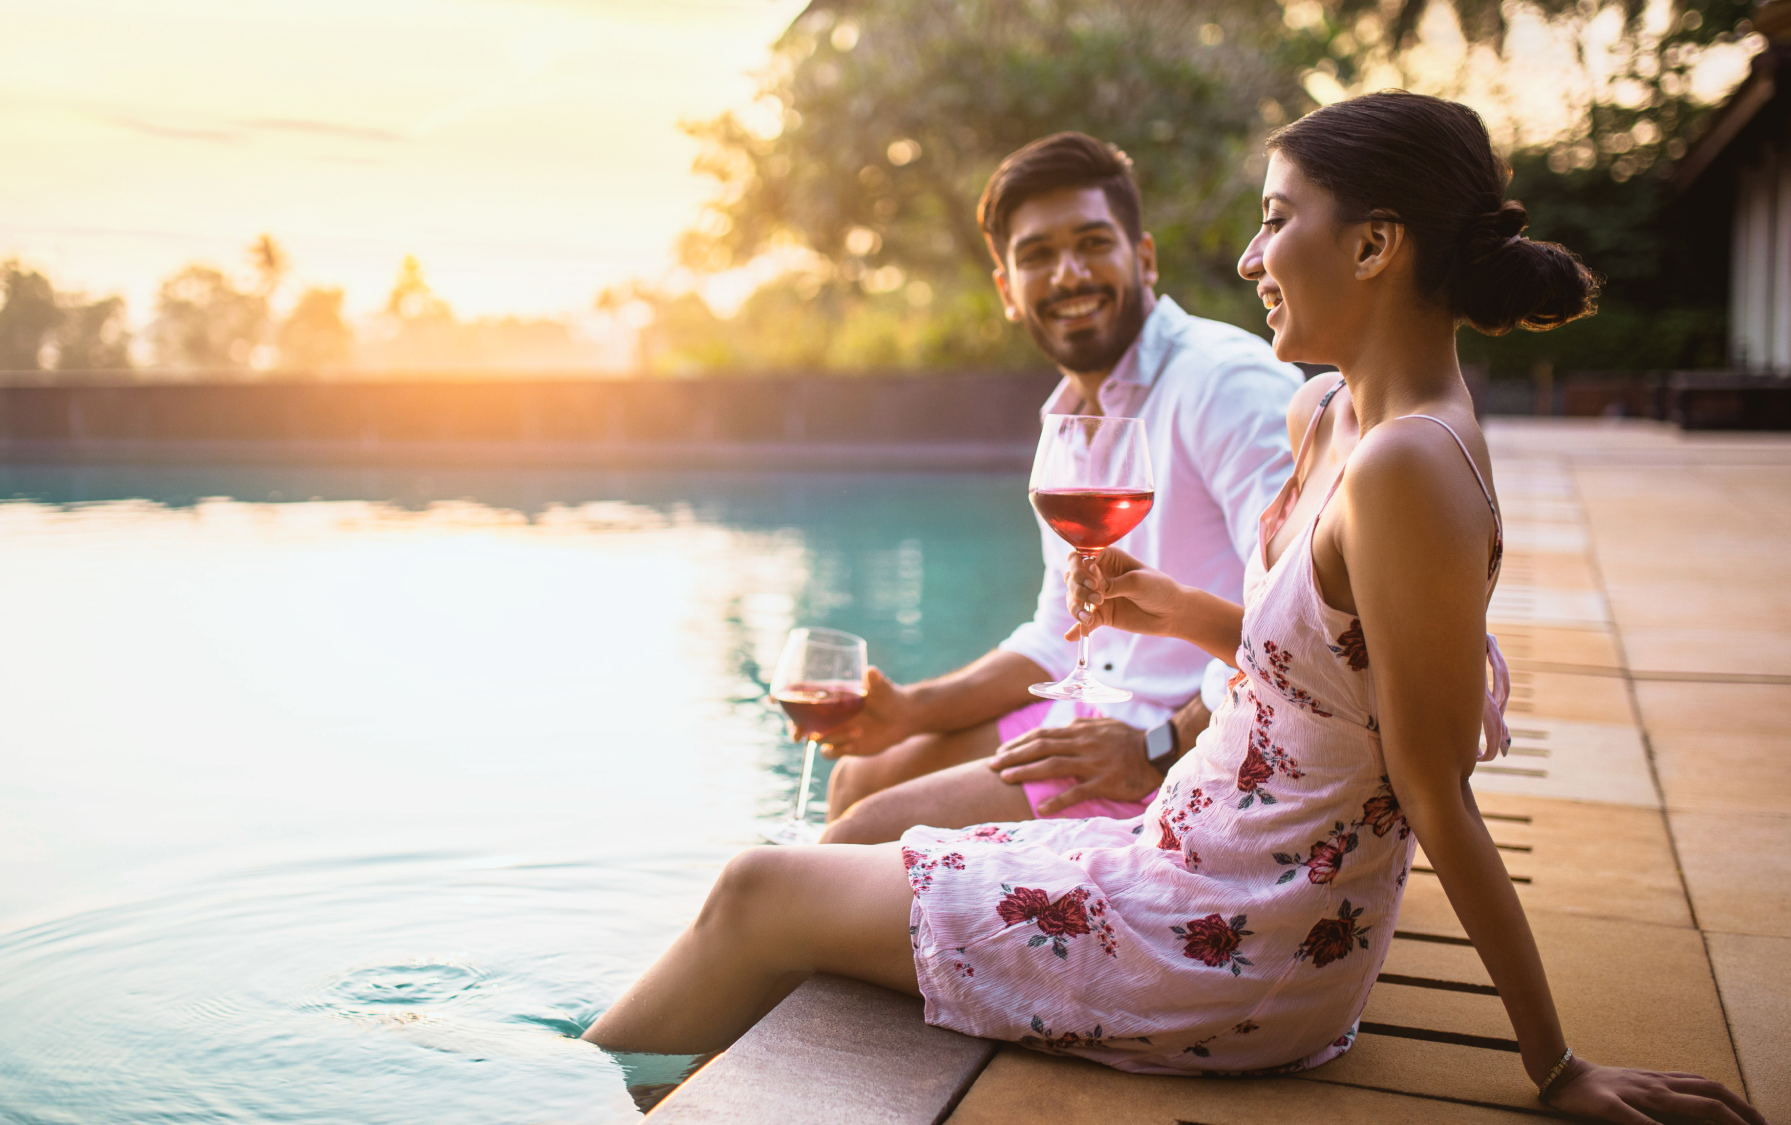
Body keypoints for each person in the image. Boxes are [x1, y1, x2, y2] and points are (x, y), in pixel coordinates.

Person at [584, 91, 1769, 1124]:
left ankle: (552, 1097)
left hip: (1235, 939)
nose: (1251, 257)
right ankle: (637, 1091)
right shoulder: (1328, 417)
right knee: (830, 849)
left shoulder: (1405, 465)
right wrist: (1183, 615)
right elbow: (1321, 662)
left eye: (1273, 217)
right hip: (1180, 854)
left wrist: (1553, 1063)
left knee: (759, 888)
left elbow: (1431, 785)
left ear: (1371, 247)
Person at [817, 132, 1303, 845]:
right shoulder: (1068, 417)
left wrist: (1158, 745)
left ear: (1142, 258)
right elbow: (1058, 635)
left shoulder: (1225, 382)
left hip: (1197, 748)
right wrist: (913, 709)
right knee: (861, 774)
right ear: (1008, 291)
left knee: (860, 835)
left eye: (1092, 244)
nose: (1069, 274)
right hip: (1106, 719)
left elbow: (1303, 623)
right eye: (1038, 255)